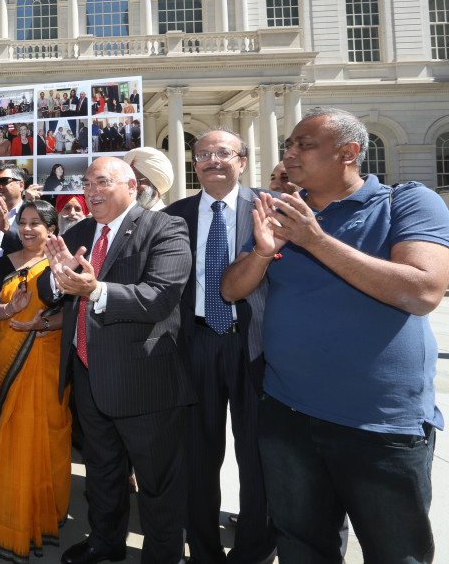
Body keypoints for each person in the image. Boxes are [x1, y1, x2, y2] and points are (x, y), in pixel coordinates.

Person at [221, 108, 449, 563]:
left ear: (349, 153)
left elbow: (423, 291)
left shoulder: (406, 202)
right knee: (303, 547)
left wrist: (315, 240)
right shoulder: (283, 213)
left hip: (380, 425)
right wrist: (264, 254)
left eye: (304, 144)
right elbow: (231, 289)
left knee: (395, 553)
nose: (290, 153)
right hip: (288, 416)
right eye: (289, 144)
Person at [42, 156, 194, 564]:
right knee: (103, 472)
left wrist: (95, 289)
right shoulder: (79, 231)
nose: (91, 189)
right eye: (87, 182)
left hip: (144, 381)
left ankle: (163, 556)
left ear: (132, 185)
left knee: (157, 482)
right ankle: (105, 543)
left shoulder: (165, 228)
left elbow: (160, 296)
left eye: (102, 181)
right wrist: (55, 276)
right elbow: (50, 284)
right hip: (89, 376)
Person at [163, 130, 275, 564]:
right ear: (194, 165)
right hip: (195, 346)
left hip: (255, 349)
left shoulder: (270, 208)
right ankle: (204, 551)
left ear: (242, 161)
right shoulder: (176, 216)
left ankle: (253, 552)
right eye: (202, 155)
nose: (212, 161)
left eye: (222, 153)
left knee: (258, 457)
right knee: (197, 458)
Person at [0, 200, 71, 561]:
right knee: (11, 435)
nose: (29, 229)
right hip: (7, 358)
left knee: (46, 437)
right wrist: (10, 309)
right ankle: (7, 519)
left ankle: (42, 516)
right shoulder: (4, 261)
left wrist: (40, 324)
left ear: (52, 229)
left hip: (46, 362)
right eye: (25, 222)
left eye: (37, 223)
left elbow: (71, 314)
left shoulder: (61, 263)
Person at [123, 147, 175, 211]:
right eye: (127, 183)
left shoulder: (171, 218)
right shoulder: (123, 218)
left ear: (154, 183)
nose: (131, 188)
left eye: (137, 182)